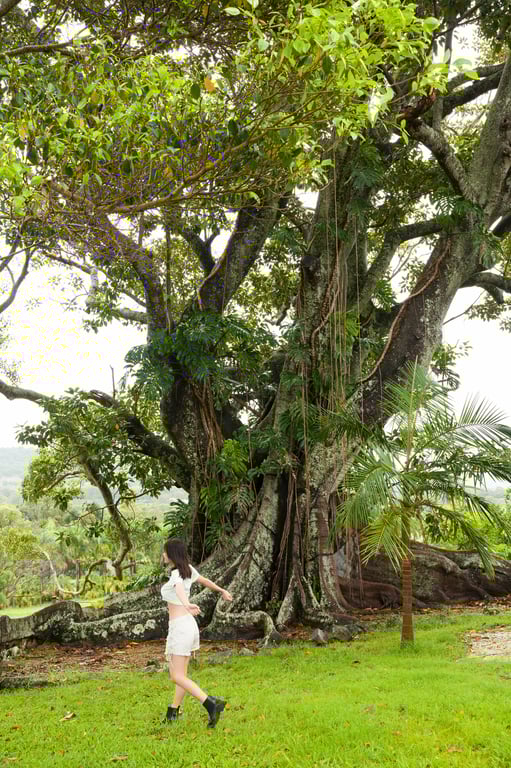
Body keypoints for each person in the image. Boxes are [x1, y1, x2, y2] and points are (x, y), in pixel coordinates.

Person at [160, 537, 233, 728]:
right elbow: (205, 581)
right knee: (180, 674)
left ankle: (211, 704)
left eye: (165, 551)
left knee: (176, 676)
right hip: (187, 626)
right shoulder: (188, 570)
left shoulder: (177, 573)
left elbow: (179, 590)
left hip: (180, 627)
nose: (163, 555)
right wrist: (222, 590)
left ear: (172, 554)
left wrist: (186, 604)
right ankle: (172, 713)